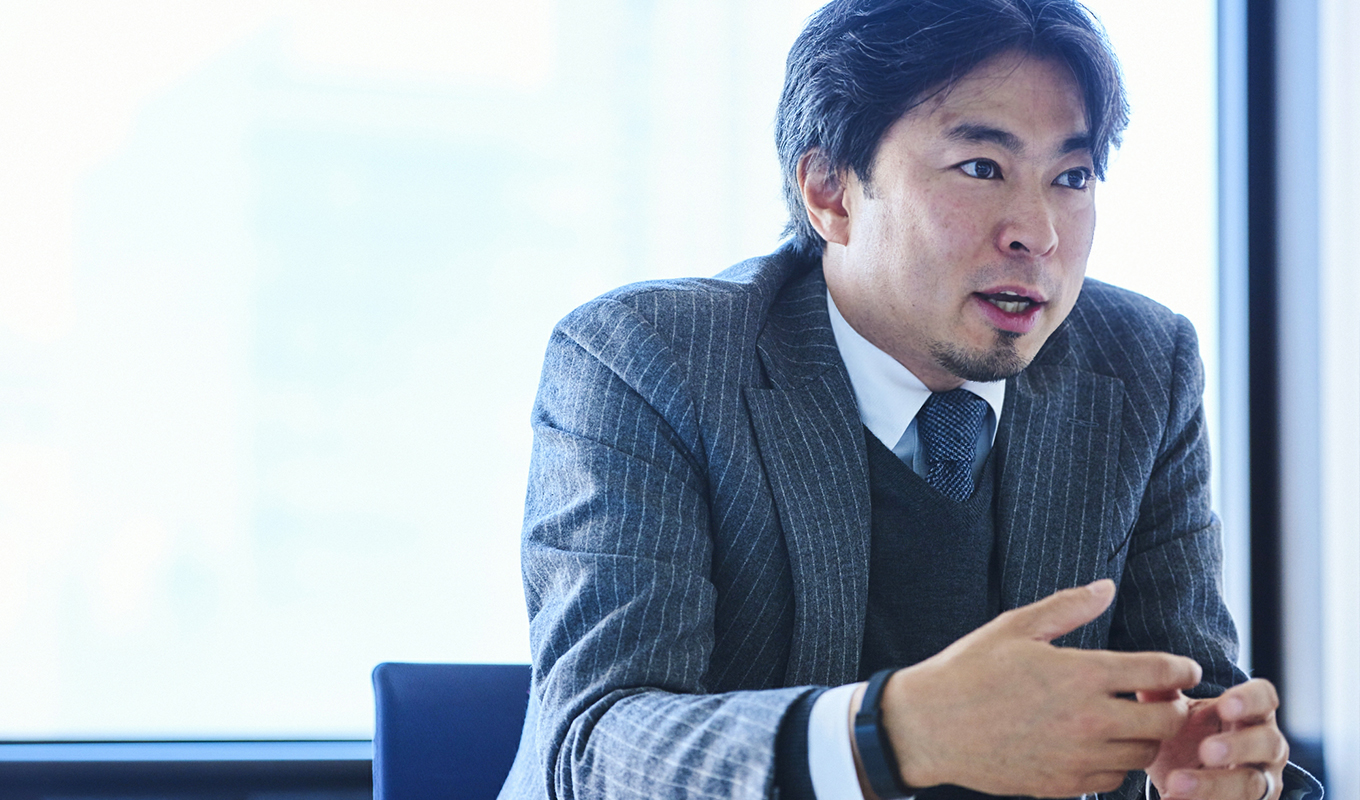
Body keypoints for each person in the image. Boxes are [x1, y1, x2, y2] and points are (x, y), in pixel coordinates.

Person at [498, 1, 1322, 799]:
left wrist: (1225, 773)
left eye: (1071, 177)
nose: (1037, 233)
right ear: (830, 192)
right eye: (981, 168)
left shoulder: (1140, 366)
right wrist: (894, 734)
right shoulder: (650, 359)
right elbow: (592, 750)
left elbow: (1198, 705)